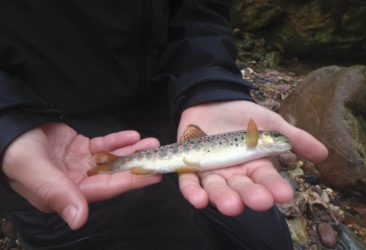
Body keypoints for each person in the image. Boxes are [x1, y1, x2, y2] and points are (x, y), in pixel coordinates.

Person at [0, 1, 328, 249]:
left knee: (266, 241)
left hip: (170, 105)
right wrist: (9, 125)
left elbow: (198, 10)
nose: (279, 141)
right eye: (275, 138)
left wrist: (208, 85)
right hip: (47, 121)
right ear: (261, 137)